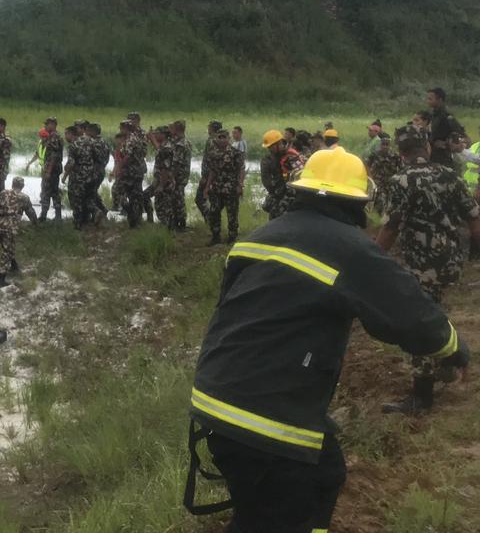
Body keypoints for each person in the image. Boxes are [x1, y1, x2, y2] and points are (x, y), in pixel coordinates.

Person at [185, 147, 470, 533]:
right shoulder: (350, 248)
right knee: (280, 514)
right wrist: (453, 348)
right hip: (266, 417)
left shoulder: (259, 237)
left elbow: (228, 309)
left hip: (214, 395)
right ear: (357, 202)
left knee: (323, 474)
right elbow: (411, 314)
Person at [376, 127, 480, 413]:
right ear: (427, 148)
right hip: (450, 260)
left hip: (422, 264)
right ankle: (450, 357)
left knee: (416, 321)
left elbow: (391, 226)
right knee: (433, 311)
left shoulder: (401, 180)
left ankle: (422, 396)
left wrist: (372, 256)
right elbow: (473, 218)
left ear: (401, 153)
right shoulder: (451, 175)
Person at [0, 177, 38, 287]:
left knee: (7, 247)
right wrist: (36, 224)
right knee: (7, 251)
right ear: (22, 186)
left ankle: (14, 266)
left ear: (12, 184)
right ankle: (1, 279)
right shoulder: (24, 198)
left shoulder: (3, 193)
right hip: (10, 227)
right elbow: (31, 213)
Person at [202, 129, 245, 245]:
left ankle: (232, 237)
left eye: (224, 137)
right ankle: (215, 237)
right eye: (219, 137)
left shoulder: (235, 153)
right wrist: (207, 186)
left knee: (232, 213)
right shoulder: (213, 154)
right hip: (216, 188)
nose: (221, 140)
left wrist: (240, 185)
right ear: (216, 139)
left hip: (231, 188)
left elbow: (241, 169)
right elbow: (212, 171)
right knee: (214, 212)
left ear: (228, 138)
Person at [118, 121, 149, 228]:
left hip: (132, 173)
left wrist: (119, 167)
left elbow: (127, 156)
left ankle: (134, 221)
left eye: (121, 128)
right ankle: (135, 221)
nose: (120, 130)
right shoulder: (135, 138)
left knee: (129, 196)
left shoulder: (131, 140)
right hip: (136, 172)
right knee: (135, 197)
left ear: (125, 129)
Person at [34, 118, 64, 221]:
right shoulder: (54, 136)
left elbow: (54, 156)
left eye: (47, 124)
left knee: (47, 191)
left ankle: (44, 215)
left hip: (52, 169)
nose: (45, 126)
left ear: (53, 125)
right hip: (52, 169)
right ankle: (55, 215)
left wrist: (48, 171)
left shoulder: (54, 137)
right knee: (52, 191)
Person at [426, 87, 465, 166]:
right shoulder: (431, 116)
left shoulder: (447, 117)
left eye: (430, 99)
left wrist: (447, 144)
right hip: (431, 156)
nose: (427, 101)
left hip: (443, 159)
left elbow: (463, 137)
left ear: (439, 100)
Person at [195, 121, 223, 225]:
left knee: (200, 199)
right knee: (213, 200)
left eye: (209, 127)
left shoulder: (211, 140)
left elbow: (209, 160)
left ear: (212, 128)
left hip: (209, 176)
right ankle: (212, 220)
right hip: (216, 176)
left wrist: (205, 176)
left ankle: (210, 219)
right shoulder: (220, 139)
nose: (208, 129)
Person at [171, 121, 193, 232]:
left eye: (173, 128)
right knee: (179, 198)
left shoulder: (180, 144)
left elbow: (176, 163)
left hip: (179, 176)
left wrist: (172, 178)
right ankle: (180, 223)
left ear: (177, 129)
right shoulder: (187, 142)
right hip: (183, 175)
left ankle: (180, 224)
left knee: (178, 199)